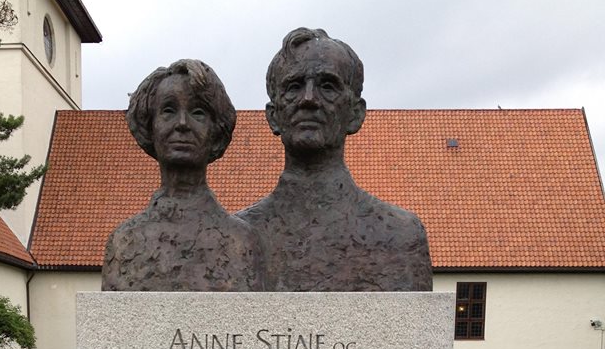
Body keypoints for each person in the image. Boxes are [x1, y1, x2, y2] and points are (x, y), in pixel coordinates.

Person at [237, 28, 432, 292]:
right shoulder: (237, 239)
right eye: (294, 87)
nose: (308, 99)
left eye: (327, 86)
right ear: (273, 116)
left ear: (355, 114)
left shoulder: (399, 236)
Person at [102, 59, 264, 291]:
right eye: (168, 110)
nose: (182, 124)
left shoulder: (241, 242)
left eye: (198, 113)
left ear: (216, 133)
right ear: (150, 127)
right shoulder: (124, 243)